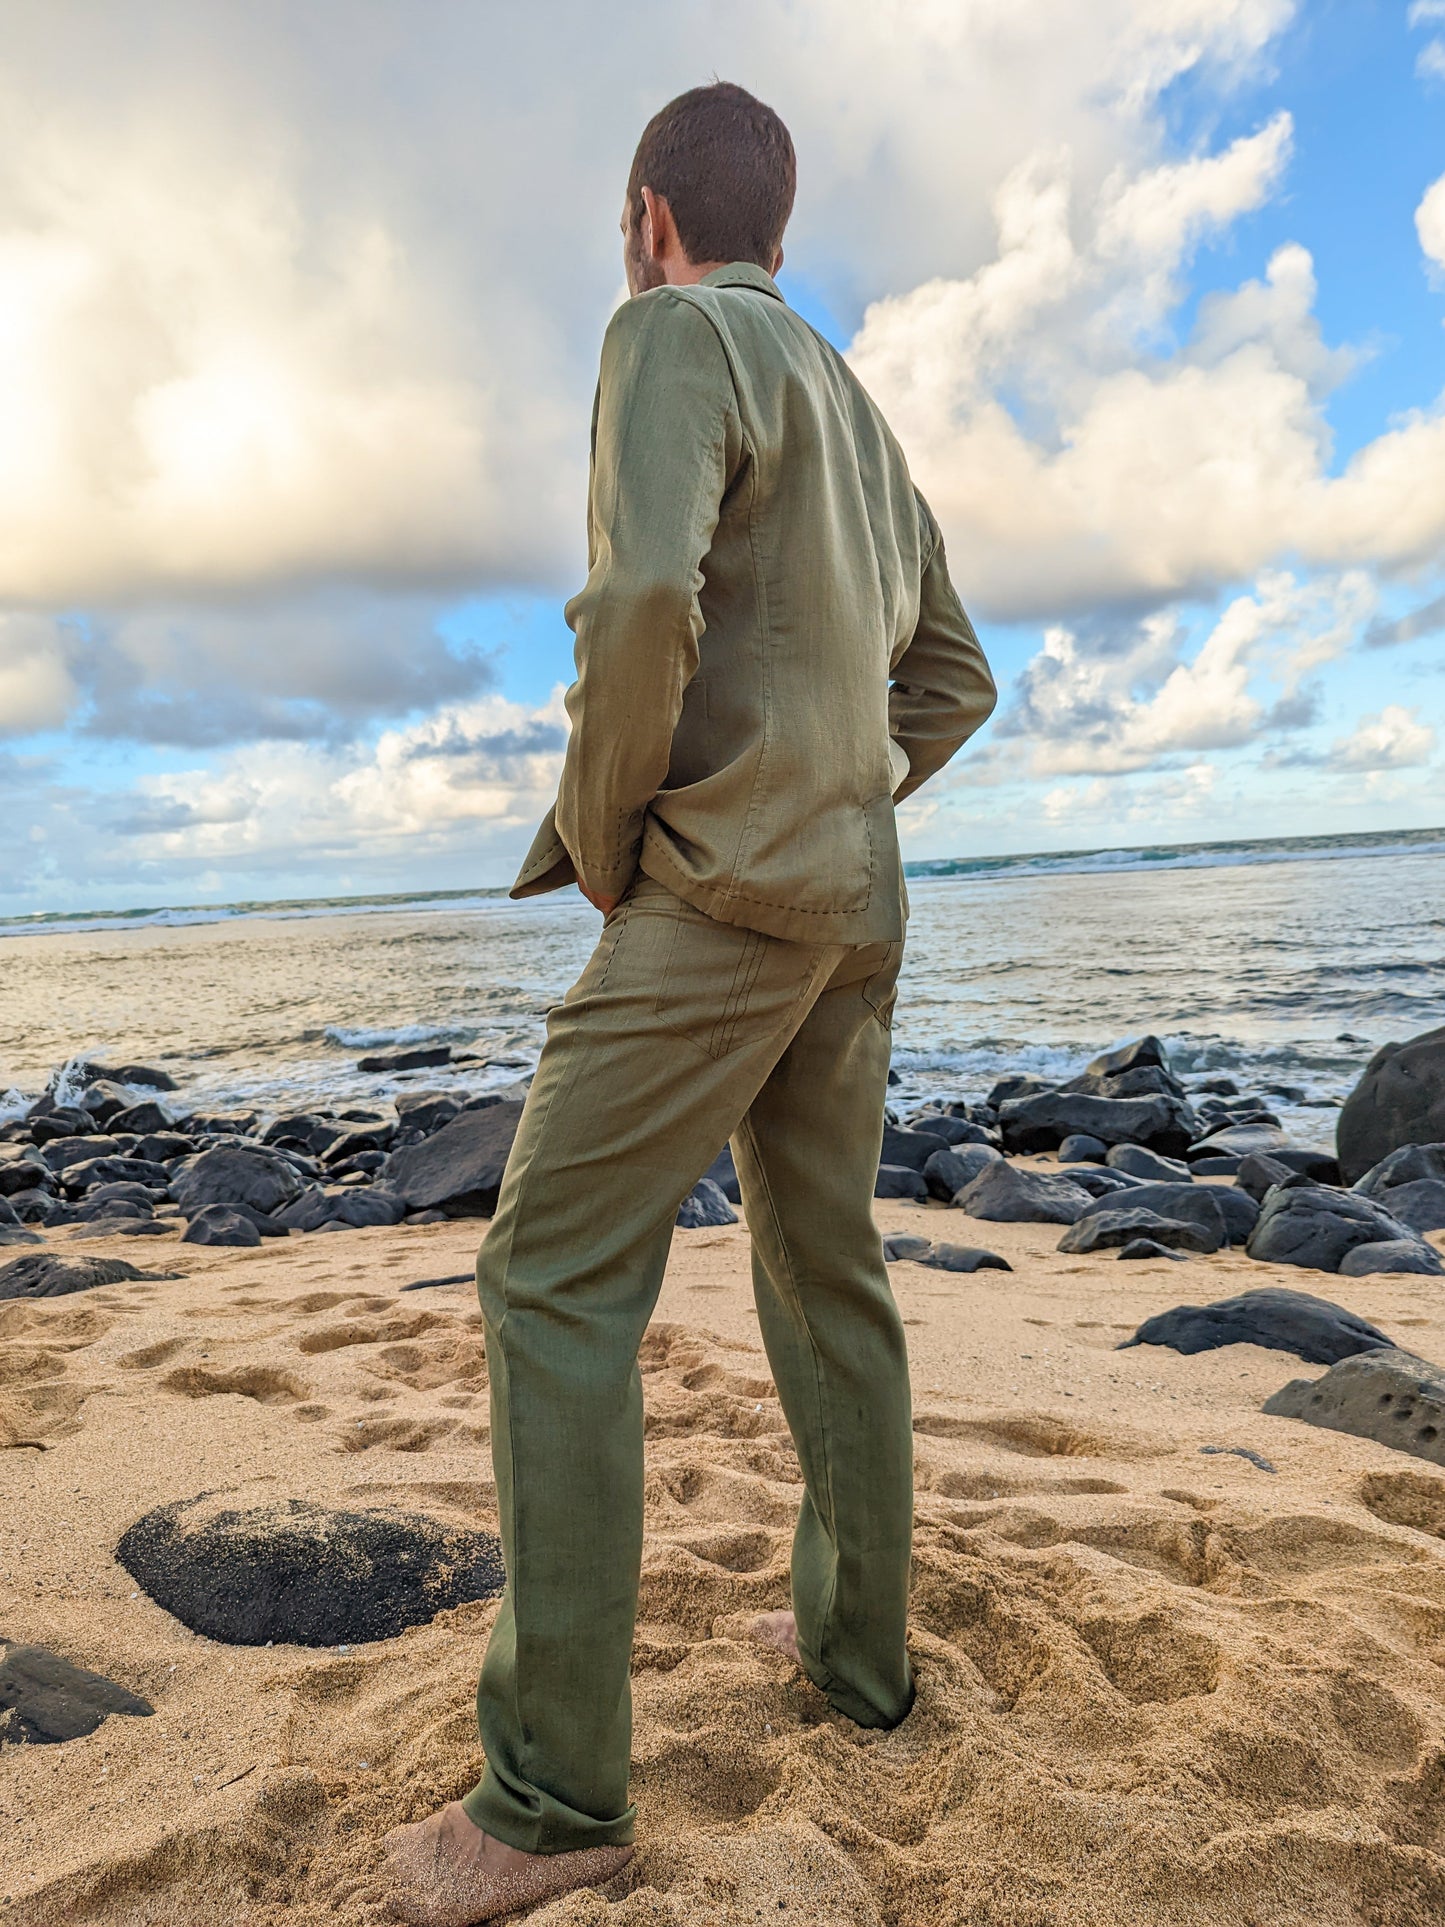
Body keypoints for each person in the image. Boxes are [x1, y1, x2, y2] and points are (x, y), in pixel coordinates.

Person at [384, 79, 996, 1926]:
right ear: (775, 227)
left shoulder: (665, 331)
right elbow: (954, 683)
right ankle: (860, 1669)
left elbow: (640, 590)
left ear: (652, 213)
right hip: (850, 902)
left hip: (724, 893)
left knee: (549, 1271)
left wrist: (606, 827)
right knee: (829, 1270)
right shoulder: (861, 412)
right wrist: (832, 784)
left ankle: (552, 1797)